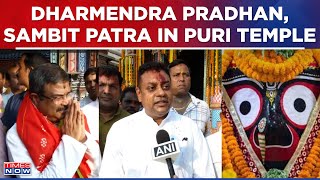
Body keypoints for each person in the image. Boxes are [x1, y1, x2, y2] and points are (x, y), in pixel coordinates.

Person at [99, 62, 214, 178]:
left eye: (166, 87)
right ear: (139, 94)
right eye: (152, 88)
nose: (161, 93)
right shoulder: (120, 130)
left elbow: (205, 173)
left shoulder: (189, 127)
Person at [6, 64, 101, 178]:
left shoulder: (74, 120)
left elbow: (97, 170)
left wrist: (82, 139)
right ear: (36, 99)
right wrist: (71, 142)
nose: (66, 102)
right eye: (57, 97)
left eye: (68, 94)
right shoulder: (14, 136)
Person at [1, 53, 49, 131]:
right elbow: (6, 131)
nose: (17, 72)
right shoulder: (14, 101)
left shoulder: (52, 100)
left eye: (20, 67)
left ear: (29, 71)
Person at [168, 59, 211, 137]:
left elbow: (210, 140)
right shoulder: (161, 108)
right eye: (176, 75)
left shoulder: (203, 107)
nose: (181, 79)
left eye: (186, 75)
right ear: (168, 80)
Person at [99, 65, 130, 154]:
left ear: (120, 90)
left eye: (112, 86)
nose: (107, 91)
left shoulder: (130, 122)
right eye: (102, 85)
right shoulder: (81, 118)